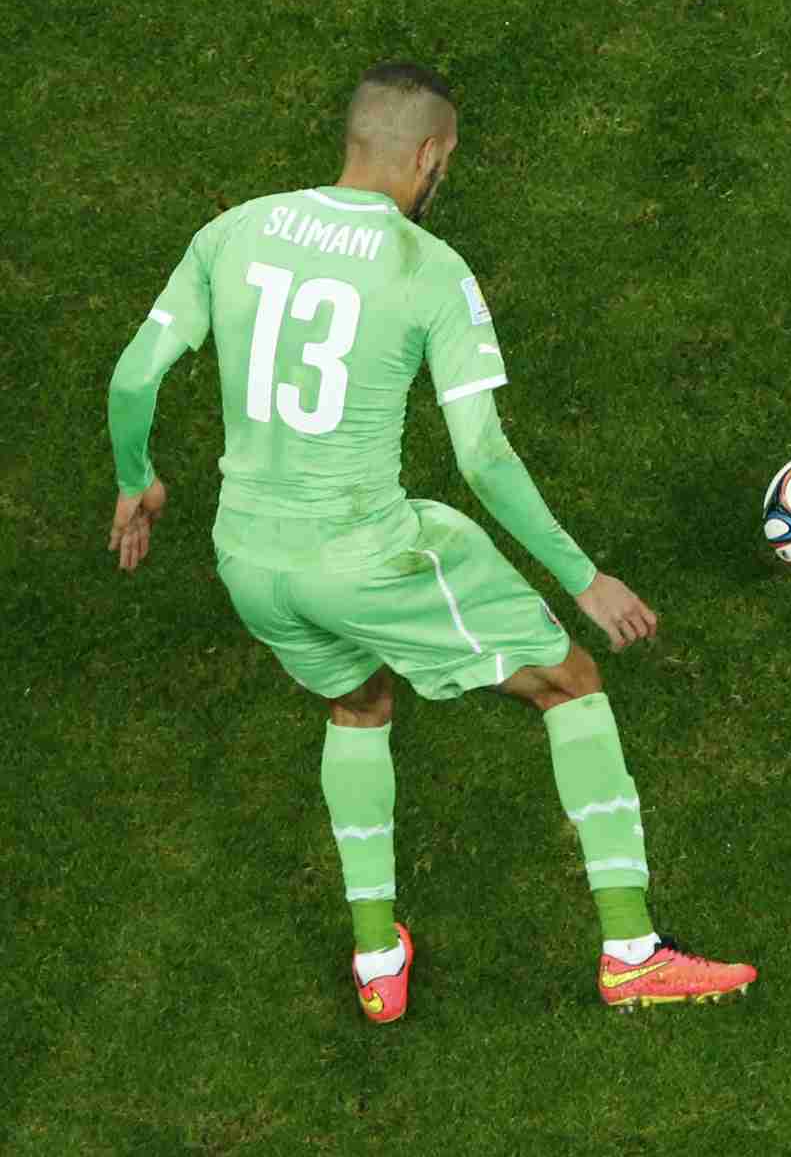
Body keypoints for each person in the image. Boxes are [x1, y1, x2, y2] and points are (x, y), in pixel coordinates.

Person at [103, 61, 754, 1019]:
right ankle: (632, 952)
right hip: (370, 557)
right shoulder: (428, 268)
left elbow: (132, 376)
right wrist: (583, 576)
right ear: (430, 154)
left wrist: (138, 478)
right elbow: (482, 457)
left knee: (359, 700)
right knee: (569, 681)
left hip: (249, 562)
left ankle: (378, 962)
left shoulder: (232, 229)